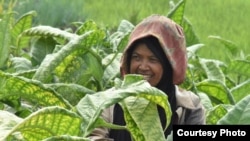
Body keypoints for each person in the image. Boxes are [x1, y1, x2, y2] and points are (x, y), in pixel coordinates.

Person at [88, 14, 206, 141]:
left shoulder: (189, 107)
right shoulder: (107, 102)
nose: (143, 67)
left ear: (168, 65)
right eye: (136, 57)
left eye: (153, 59)